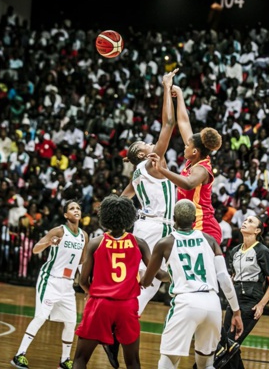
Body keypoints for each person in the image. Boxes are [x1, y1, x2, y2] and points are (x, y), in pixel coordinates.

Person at [102, 69, 179, 368]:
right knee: (148, 284)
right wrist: (165, 87)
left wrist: (112, 226)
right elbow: (169, 123)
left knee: (149, 286)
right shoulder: (151, 164)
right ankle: (115, 329)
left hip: (150, 224)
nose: (149, 144)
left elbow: (121, 200)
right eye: (143, 146)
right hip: (156, 226)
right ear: (141, 154)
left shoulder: (137, 173)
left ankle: (116, 330)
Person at [139, 199, 244, 369]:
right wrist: (236, 312)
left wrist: (142, 275)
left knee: (167, 362)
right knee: (206, 364)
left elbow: (148, 281)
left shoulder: (165, 243)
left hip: (186, 303)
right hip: (212, 304)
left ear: (173, 218)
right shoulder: (209, 240)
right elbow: (224, 278)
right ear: (195, 220)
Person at [72, 194, 168, 369]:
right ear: (129, 217)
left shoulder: (95, 243)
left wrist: (90, 292)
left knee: (80, 359)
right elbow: (160, 274)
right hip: (127, 306)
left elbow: (83, 280)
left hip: (100, 304)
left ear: (105, 217)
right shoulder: (139, 243)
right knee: (133, 363)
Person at [11, 199, 89, 369]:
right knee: (40, 317)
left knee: (71, 323)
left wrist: (86, 288)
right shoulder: (59, 231)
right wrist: (48, 242)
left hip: (68, 285)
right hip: (50, 279)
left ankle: (64, 360)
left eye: (78, 208)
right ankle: (19, 355)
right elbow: (35, 249)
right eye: (72, 208)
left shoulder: (84, 236)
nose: (76, 210)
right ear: (65, 214)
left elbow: (82, 263)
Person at [148, 83, 223, 243]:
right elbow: (183, 123)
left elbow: (188, 184)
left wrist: (162, 169)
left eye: (188, 145)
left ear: (195, 151)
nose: (185, 145)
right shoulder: (195, 158)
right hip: (189, 226)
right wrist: (179, 94)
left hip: (204, 227)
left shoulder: (202, 169)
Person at [221, 215, 269, 368]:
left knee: (230, 344)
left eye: (251, 221)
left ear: (257, 230)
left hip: (251, 300)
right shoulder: (234, 251)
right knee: (227, 344)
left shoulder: (262, 251)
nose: (245, 222)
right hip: (234, 300)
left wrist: (261, 305)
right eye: (245, 220)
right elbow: (233, 277)